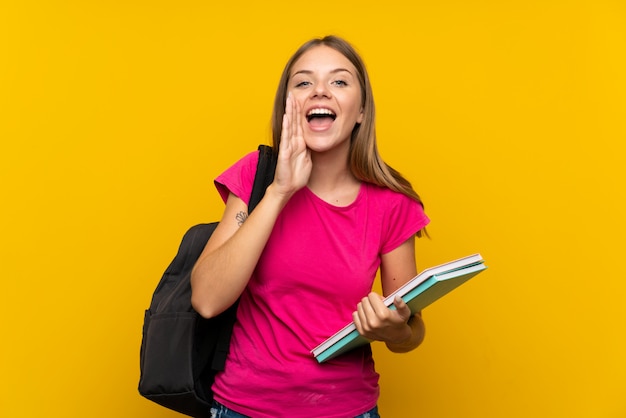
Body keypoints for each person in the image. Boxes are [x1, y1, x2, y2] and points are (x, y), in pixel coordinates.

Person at [190, 35, 430, 418]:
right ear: (288, 107)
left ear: (361, 111)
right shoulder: (255, 176)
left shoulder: (392, 203)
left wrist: (394, 330)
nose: (320, 91)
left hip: (348, 409)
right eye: (304, 83)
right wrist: (279, 191)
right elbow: (206, 300)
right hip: (243, 409)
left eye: (339, 81)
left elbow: (410, 332)